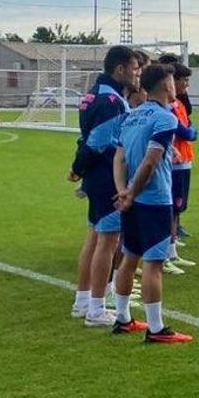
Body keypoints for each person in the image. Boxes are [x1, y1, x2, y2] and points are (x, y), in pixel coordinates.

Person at [109, 63, 192, 343]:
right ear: (167, 85)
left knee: (130, 257)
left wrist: (123, 191)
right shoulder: (164, 118)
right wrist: (132, 192)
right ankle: (156, 329)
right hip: (153, 199)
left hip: (131, 200)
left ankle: (123, 319)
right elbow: (151, 161)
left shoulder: (131, 116)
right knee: (154, 263)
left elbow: (119, 158)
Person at [68, 45, 138, 326]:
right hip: (108, 175)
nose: (136, 75)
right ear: (120, 69)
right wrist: (77, 167)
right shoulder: (111, 101)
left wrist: (79, 168)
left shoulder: (94, 94)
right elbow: (97, 142)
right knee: (108, 241)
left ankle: (82, 300)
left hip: (96, 175)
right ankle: (97, 308)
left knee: (95, 237)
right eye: (134, 69)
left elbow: (87, 138)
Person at [163, 61, 197, 273]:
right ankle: (166, 254)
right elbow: (186, 132)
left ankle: (172, 252)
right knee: (171, 210)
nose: (186, 85)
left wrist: (190, 131)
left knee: (177, 209)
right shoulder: (169, 106)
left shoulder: (181, 103)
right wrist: (190, 133)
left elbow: (189, 126)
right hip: (174, 164)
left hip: (184, 161)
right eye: (183, 80)